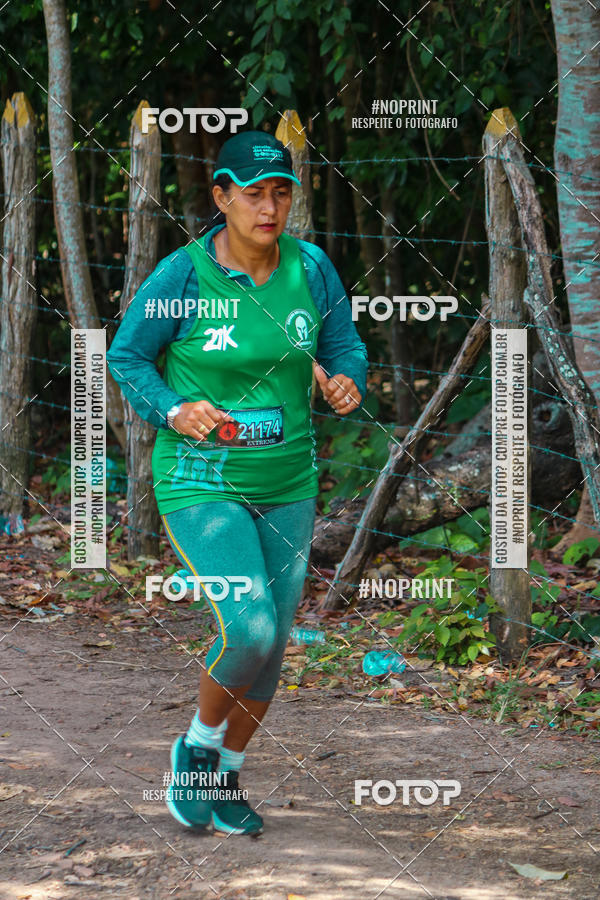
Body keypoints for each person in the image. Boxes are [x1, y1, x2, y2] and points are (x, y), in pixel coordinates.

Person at [107, 129, 368, 836]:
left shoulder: (311, 269)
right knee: (247, 628)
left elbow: (343, 344)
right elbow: (128, 357)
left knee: (274, 645)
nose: (270, 206)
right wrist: (172, 407)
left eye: (282, 192)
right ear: (221, 197)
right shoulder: (184, 276)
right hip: (200, 479)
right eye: (254, 193)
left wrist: (348, 381)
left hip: (287, 480)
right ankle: (195, 745)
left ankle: (223, 778)